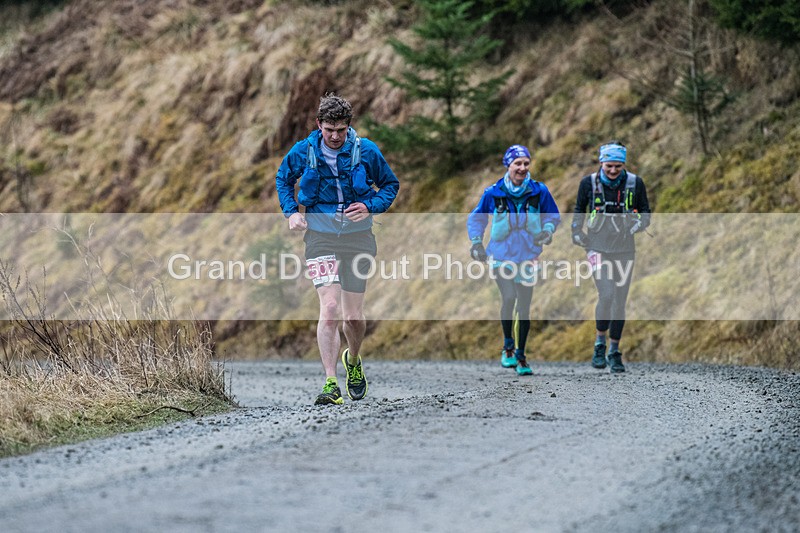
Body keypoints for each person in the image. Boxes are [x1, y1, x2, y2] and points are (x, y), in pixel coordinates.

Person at [275, 94, 399, 405]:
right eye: (329, 129)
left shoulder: (365, 150)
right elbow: (283, 178)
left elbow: (390, 185)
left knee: (353, 317)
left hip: (358, 239)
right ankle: (331, 383)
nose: (334, 136)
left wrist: (370, 206)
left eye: (340, 130)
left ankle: (353, 361)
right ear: (319, 125)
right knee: (329, 307)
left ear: (348, 127)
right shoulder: (304, 151)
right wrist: (291, 212)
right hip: (320, 238)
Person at [467, 145, 561, 375]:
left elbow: (553, 216)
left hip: (529, 255)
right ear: (508, 166)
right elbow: (476, 219)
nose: (522, 167)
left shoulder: (539, 191)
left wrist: (547, 231)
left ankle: (521, 356)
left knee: (525, 307)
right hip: (500, 256)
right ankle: (508, 346)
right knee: (509, 297)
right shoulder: (493, 193)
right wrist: (477, 243)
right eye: (517, 163)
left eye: (526, 163)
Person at [571, 141, 651, 373]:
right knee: (606, 294)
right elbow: (579, 209)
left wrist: (639, 224)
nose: (613, 171)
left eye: (617, 166)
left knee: (620, 300)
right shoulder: (588, 183)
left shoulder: (635, 183)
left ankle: (615, 352)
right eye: (609, 167)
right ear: (601, 163)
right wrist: (576, 231)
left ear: (623, 164)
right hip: (596, 248)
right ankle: (599, 344)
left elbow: (645, 211)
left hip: (625, 249)